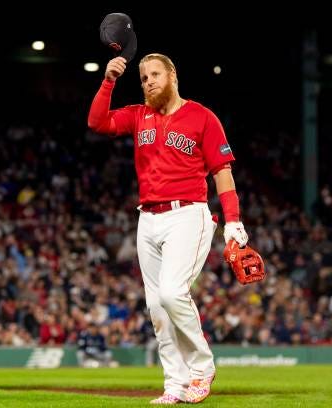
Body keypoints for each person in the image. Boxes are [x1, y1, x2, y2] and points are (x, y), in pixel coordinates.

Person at [88, 53, 249, 404]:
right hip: (148, 217)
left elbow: (223, 171)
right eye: (144, 77)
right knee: (157, 308)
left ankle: (201, 368)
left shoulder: (202, 117)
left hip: (188, 214)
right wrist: (109, 80)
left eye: (155, 74)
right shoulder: (138, 115)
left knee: (172, 293)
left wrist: (233, 220)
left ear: (172, 75)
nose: (148, 81)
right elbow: (97, 122)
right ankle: (174, 385)